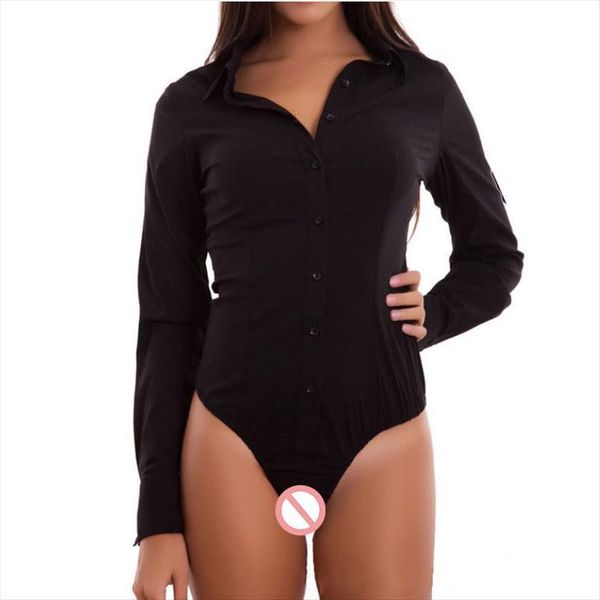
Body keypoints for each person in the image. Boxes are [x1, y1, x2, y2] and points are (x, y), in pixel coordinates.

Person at [131, 2, 524, 599]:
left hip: (381, 432)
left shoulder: (422, 90)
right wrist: (157, 514)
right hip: (231, 439)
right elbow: (169, 315)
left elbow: (494, 256)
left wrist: (437, 314)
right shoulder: (191, 107)